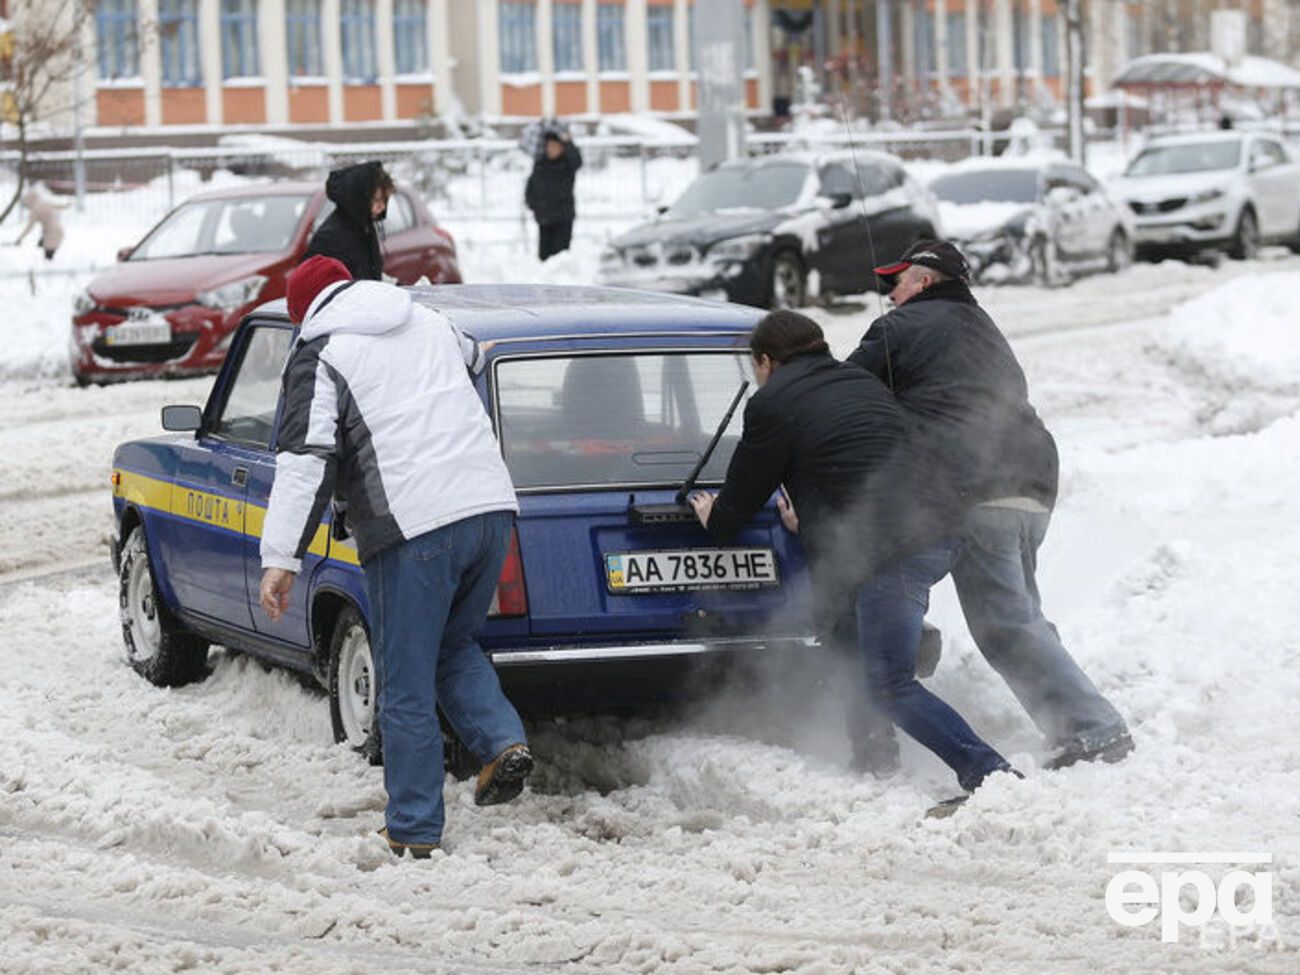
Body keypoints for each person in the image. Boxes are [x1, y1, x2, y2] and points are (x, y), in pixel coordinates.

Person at [258, 255, 532, 858]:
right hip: (489, 506)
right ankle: (502, 742)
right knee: (452, 645)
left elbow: (306, 458)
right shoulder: (426, 319)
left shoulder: (321, 352)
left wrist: (281, 556)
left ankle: (412, 827)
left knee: (403, 681)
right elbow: (476, 357)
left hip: (413, 529)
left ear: (304, 312)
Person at [689, 310, 1018, 809]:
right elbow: (858, 464)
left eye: (755, 368)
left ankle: (991, 775)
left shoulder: (772, 403)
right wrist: (814, 521)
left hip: (893, 548)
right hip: (936, 528)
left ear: (765, 361)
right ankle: (873, 754)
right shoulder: (859, 382)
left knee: (889, 683)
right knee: (849, 640)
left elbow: (738, 505)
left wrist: (714, 516)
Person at [848, 239, 1133, 770]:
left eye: (899, 281)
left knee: (1007, 624)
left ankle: (1095, 731)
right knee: (1022, 617)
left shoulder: (900, 330)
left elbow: (841, 395)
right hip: (1032, 478)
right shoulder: (983, 328)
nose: (890, 293)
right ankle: (1081, 728)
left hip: (979, 487)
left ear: (926, 282)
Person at [302, 161, 392, 280]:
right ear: (360, 198)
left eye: (385, 200)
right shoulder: (330, 237)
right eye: (376, 200)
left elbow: (370, 275)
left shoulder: (365, 227)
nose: (382, 207)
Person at [525, 128, 582, 261]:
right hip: (544, 218)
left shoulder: (567, 164)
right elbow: (531, 186)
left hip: (562, 218)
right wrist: (532, 204)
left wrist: (568, 143)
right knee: (544, 258)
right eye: (548, 146)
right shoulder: (540, 164)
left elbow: (577, 160)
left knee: (560, 259)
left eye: (555, 146)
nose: (551, 149)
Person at [12, 186, 68, 260]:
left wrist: (19, 238)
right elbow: (58, 206)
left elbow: (29, 227)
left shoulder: (35, 210)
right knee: (42, 247)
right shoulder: (45, 203)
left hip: (50, 234)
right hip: (59, 231)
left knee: (48, 257)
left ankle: (46, 267)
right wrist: (67, 205)